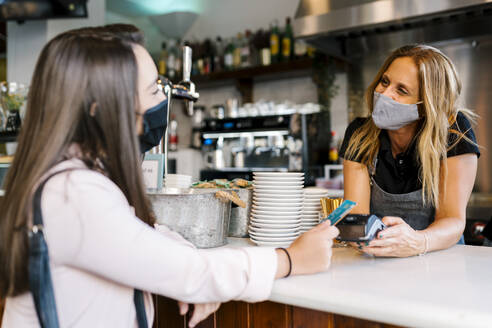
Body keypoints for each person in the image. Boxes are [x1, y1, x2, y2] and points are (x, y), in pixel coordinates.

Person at [0, 28, 339, 327]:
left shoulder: (79, 177)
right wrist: (290, 259)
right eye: (153, 90)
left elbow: (145, 235)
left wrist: (190, 274)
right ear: (100, 108)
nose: (165, 98)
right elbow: (189, 272)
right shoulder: (74, 193)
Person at [339, 44, 480, 258]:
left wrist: (417, 241)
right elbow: (358, 218)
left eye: (401, 90)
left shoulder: (454, 132)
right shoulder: (360, 134)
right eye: (385, 82)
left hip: (443, 262)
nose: (385, 94)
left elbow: (453, 220)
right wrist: (354, 234)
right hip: (381, 262)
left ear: (426, 105)